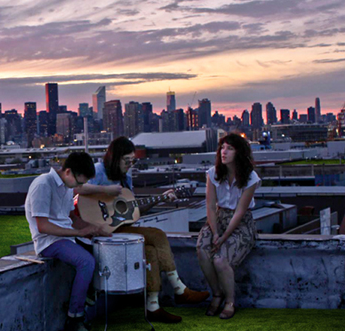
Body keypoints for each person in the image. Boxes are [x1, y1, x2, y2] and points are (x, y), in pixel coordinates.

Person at [75, 136, 209, 324]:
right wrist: (106, 191)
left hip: (122, 229)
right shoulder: (98, 171)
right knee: (158, 234)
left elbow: (133, 210)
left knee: (150, 250)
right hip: (101, 232)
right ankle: (180, 289)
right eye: (127, 160)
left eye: (133, 160)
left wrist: (160, 199)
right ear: (115, 157)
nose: (130, 164)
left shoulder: (126, 178)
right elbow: (76, 188)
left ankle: (153, 306)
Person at [25, 152, 109, 331]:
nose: (79, 186)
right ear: (68, 171)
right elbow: (43, 226)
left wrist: (93, 228)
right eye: (79, 182)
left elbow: (72, 218)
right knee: (86, 262)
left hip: (67, 237)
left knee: (105, 251)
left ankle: (88, 295)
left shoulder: (67, 187)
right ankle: (74, 317)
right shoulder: (43, 184)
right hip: (48, 241)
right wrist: (78, 232)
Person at [197, 133, 260, 319]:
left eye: (230, 148)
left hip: (241, 224)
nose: (224, 152)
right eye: (222, 148)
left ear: (239, 153)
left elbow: (240, 212)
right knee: (202, 249)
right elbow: (209, 206)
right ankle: (216, 293)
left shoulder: (251, 177)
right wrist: (216, 232)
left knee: (220, 260)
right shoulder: (213, 173)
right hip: (217, 219)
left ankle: (230, 301)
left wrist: (223, 238)